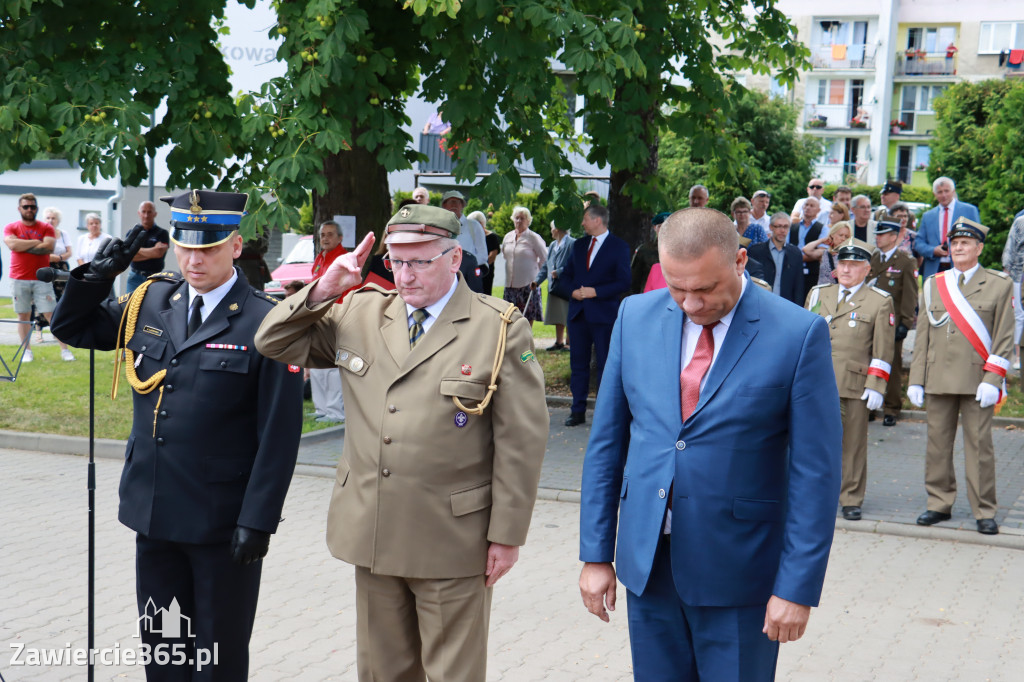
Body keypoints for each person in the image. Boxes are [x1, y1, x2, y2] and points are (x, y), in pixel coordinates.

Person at [254, 203, 549, 681]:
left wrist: (507, 535)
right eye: (396, 261)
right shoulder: (362, 311)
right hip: (374, 531)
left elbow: (522, 439)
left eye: (420, 261)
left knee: (454, 673)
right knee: (382, 673)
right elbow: (272, 341)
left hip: (453, 540)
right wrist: (326, 288)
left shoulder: (497, 327)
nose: (405, 275)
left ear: (454, 259)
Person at [578, 207, 841, 682]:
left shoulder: (798, 334)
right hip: (648, 566)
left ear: (740, 260)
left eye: (705, 289)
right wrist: (596, 555)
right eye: (677, 289)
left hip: (740, 574)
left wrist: (797, 588)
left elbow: (815, 475)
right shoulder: (634, 316)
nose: (691, 304)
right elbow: (606, 445)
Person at [50, 189, 303, 679]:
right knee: (164, 653)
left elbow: (279, 432)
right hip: (155, 512)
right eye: (184, 246)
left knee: (217, 658)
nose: (193, 259)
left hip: (221, 524)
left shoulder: (265, 320)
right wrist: (97, 277)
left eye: (207, 248)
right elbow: (72, 327)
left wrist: (259, 519)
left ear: (234, 245)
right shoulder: (152, 299)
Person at [908, 217, 1013, 536]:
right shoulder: (934, 284)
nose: (958, 248)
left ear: (979, 248)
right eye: (954, 243)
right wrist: (915, 378)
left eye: (965, 243)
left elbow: (1005, 336)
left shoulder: (998, 284)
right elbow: (923, 335)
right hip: (939, 376)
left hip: (977, 379)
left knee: (980, 446)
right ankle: (939, 502)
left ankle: (984, 509)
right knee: (937, 444)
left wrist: (993, 379)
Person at [806, 238, 894, 521]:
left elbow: (883, 348)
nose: (846, 270)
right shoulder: (819, 294)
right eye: (842, 263)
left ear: (866, 269)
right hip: (815, 384)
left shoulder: (879, 301)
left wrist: (877, 384)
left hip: (854, 384)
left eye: (853, 265)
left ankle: (851, 498)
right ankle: (817, 495)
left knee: (853, 445)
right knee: (814, 443)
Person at [561, 204, 631, 427]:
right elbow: (566, 276)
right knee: (578, 365)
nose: (582, 223)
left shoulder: (619, 246)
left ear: (597, 220)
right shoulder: (579, 245)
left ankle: (604, 414)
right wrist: (572, 291)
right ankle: (577, 410)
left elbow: (624, 281)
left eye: (585, 219)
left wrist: (596, 292)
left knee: (605, 364)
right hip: (579, 315)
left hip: (604, 315)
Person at [4, 194, 74, 362]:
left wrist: (22, 244)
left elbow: (48, 247)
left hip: (42, 278)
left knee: (52, 314)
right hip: (18, 277)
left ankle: (65, 350)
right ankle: (26, 351)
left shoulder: (46, 228)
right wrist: (36, 241)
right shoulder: (11, 227)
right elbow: (12, 245)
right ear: (19, 208)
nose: (29, 209)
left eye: (32, 207)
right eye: (26, 206)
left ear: (37, 208)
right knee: (23, 315)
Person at [868, 221, 919, 426]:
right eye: (877, 234)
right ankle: (870, 406)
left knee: (893, 366)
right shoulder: (872, 257)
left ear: (894, 237)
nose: (878, 237)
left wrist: (905, 323)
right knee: (870, 363)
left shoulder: (905, 261)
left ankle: (891, 408)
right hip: (871, 321)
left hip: (892, 322)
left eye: (883, 234)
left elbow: (910, 294)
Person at [309, 221, 348, 424]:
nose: (325, 238)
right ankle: (321, 408)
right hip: (318, 314)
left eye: (330, 234)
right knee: (315, 361)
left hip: (335, 314)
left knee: (333, 366)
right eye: (323, 234)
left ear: (340, 238)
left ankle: (335, 411)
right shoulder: (321, 257)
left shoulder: (342, 259)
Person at [914, 176, 980, 278]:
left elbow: (978, 239)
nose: (943, 195)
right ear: (934, 194)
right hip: (935, 269)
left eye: (946, 191)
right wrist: (933, 251)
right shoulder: (928, 216)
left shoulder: (969, 211)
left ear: (953, 191)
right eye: (940, 192)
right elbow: (918, 243)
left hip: (962, 268)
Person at [500, 206, 547, 325]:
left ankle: (526, 340)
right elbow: (505, 256)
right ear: (513, 219)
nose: (519, 221)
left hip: (528, 284)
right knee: (509, 315)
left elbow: (544, 259)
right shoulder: (508, 237)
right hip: (510, 284)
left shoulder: (533, 237)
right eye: (517, 218)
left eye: (522, 218)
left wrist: (537, 277)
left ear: (528, 220)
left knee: (527, 316)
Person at [747, 211, 804, 305]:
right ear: (771, 227)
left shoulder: (795, 253)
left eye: (786, 227)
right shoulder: (755, 251)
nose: (782, 230)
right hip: (760, 303)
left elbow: (799, 286)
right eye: (779, 226)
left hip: (786, 305)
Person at [536, 221, 575, 350]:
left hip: (566, 285)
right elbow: (546, 265)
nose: (551, 231)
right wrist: (537, 281)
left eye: (551, 228)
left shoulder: (572, 243)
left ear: (557, 229)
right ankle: (559, 342)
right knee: (558, 314)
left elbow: (575, 264)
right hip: (554, 287)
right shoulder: (553, 245)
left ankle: (569, 342)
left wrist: (559, 272)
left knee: (568, 313)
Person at [440, 190, 489, 275]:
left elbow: (483, 255)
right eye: (451, 201)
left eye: (458, 202)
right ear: (444, 205)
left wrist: (466, 266)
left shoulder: (474, 225)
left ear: (462, 205)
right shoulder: (439, 227)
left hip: (469, 274)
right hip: (446, 274)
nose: (454, 205)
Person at [126, 201, 170, 293]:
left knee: (153, 306)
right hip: (135, 277)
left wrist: (135, 250)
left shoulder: (162, 233)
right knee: (130, 306)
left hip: (155, 278)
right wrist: (152, 251)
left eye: (149, 212)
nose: (146, 215)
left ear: (155, 214)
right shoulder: (132, 233)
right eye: (143, 211)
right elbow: (128, 256)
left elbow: (158, 253)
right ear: (139, 213)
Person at [790, 196, 827, 294]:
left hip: (812, 273)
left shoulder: (823, 228)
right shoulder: (792, 226)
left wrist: (796, 258)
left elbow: (820, 252)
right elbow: (786, 247)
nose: (808, 207)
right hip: (791, 271)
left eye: (812, 206)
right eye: (806, 205)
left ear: (818, 210)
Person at [1001, 211, 1024, 373]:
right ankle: (1018, 356)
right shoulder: (1020, 222)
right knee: (1019, 315)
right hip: (1019, 274)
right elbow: (1010, 250)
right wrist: (1007, 274)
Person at [630, 212, 668, 295]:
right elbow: (635, 280)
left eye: (669, 227)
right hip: (648, 295)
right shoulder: (644, 250)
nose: (665, 230)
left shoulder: (681, 251)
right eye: (661, 226)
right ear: (655, 228)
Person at [804, 221, 853, 286]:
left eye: (846, 237)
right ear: (832, 235)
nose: (843, 239)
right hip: (822, 292)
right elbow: (806, 250)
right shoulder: (824, 253)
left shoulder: (851, 256)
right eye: (840, 235)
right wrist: (821, 240)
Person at [42, 206, 74, 302]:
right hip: (45, 267)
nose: (50, 220)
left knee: (61, 297)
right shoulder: (40, 233)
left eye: (53, 218)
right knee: (45, 297)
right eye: (48, 218)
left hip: (61, 268)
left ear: (58, 221)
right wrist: (49, 257)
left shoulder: (64, 234)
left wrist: (59, 257)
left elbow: (69, 252)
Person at [469, 209, 500, 295]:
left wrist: (478, 269)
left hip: (485, 273)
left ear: (481, 224)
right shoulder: (471, 238)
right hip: (471, 273)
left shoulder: (492, 237)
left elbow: (492, 257)